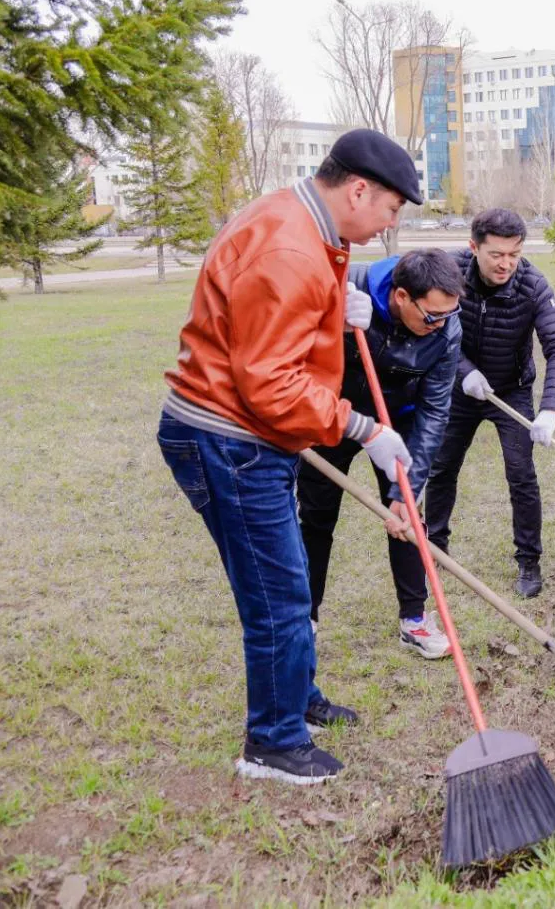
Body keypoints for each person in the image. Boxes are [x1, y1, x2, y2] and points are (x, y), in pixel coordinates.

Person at [157, 129, 421, 783]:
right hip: (232, 437)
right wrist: (363, 427)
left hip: (245, 432)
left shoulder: (301, 220)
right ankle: (272, 742)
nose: (388, 226)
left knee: (292, 575)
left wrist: (338, 305)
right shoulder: (291, 246)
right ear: (358, 189)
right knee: (277, 592)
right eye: (390, 210)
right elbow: (270, 384)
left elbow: (274, 326)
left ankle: (294, 699)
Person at [296, 249, 464, 660]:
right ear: (402, 296)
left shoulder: (446, 326)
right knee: (316, 516)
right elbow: (291, 343)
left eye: (449, 314)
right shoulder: (348, 286)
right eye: (432, 316)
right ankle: (304, 619)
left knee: (407, 512)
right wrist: (336, 321)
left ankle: (414, 620)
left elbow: (435, 410)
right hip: (334, 415)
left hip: (398, 421)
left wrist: (407, 485)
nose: (441, 324)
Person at [424, 208, 555, 599]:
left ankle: (529, 561)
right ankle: (434, 549)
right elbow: (433, 329)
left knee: (521, 475)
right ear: (474, 247)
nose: (506, 263)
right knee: (441, 468)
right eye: (497, 254)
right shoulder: (449, 272)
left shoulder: (532, 284)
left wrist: (550, 408)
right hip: (461, 388)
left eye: (514, 253)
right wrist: (465, 371)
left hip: (511, 390)